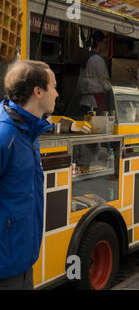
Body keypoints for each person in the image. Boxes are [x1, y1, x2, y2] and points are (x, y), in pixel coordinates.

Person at [0, 60, 57, 289]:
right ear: (38, 91)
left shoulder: (28, 132)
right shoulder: (6, 135)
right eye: (53, 86)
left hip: (22, 261)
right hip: (5, 267)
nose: (57, 92)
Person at [70, 30, 110, 117]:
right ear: (97, 42)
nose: (106, 45)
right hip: (95, 103)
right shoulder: (98, 59)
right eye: (105, 42)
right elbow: (106, 83)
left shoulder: (87, 57)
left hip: (84, 102)